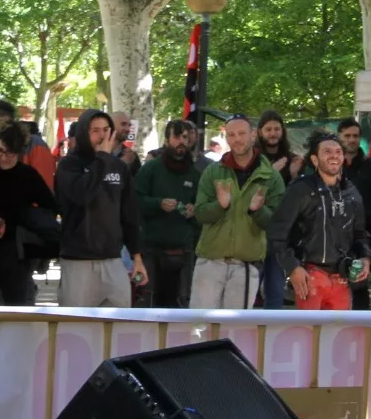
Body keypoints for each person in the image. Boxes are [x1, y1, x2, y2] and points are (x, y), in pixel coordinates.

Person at [266, 131, 371, 311]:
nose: (334, 156)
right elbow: (277, 233)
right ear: (314, 160)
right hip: (309, 276)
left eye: (338, 152)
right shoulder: (300, 189)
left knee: (338, 336)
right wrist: (293, 268)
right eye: (327, 152)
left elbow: (360, 234)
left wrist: (365, 259)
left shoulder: (352, 192)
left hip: (342, 279)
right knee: (310, 336)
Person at [55, 109, 146, 307]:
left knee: (119, 324)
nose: (102, 135)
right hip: (78, 261)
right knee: (77, 327)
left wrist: (137, 257)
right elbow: (82, 195)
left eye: (106, 129)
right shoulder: (68, 165)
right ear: (83, 133)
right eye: (95, 130)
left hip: (113, 259)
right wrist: (102, 159)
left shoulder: (119, 167)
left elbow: (129, 214)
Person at [193, 115, 285, 310]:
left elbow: (278, 224)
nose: (237, 139)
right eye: (231, 135)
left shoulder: (271, 176)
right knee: (198, 328)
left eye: (242, 133)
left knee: (233, 331)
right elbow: (200, 214)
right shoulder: (213, 171)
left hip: (246, 264)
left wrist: (258, 211)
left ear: (253, 135)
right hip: (209, 261)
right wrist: (220, 206)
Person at [0, 124, 55, 305]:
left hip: (16, 249)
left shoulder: (27, 175)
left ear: (19, 153)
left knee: (17, 304)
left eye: (9, 153)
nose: (3, 157)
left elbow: (49, 205)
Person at [133, 120, 203, 307]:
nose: (181, 141)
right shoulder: (151, 169)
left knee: (182, 305)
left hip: (185, 250)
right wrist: (158, 203)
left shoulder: (195, 174)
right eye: (176, 137)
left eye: (185, 137)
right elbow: (133, 201)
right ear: (166, 140)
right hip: (152, 249)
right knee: (150, 302)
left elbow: (203, 206)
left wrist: (194, 209)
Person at [337, 118, 371, 309]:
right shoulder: (331, 164)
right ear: (339, 137)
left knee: (359, 285)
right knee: (333, 284)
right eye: (347, 136)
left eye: (355, 136)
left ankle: (359, 333)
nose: (351, 140)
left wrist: (370, 231)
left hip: (360, 237)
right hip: (333, 236)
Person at [256, 110, 301, 308]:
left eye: (276, 129)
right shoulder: (252, 158)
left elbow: (298, 197)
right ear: (260, 132)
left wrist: (293, 175)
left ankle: (272, 334)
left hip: (281, 234)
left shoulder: (293, 160)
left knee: (275, 291)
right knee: (248, 291)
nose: (273, 133)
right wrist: (271, 172)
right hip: (254, 230)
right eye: (268, 129)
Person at [110, 110, 143, 176]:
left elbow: (136, 182)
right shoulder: (97, 152)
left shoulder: (132, 156)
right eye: (123, 124)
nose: (128, 129)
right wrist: (121, 164)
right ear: (111, 125)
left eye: (129, 125)